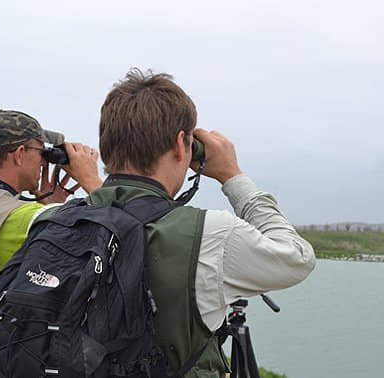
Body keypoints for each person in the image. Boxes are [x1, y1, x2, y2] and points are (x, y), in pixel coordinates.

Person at [85, 69, 316, 377]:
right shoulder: (209, 234)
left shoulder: (49, 220)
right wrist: (231, 174)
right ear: (182, 145)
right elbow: (297, 257)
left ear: (106, 147)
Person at [0, 109, 103, 312]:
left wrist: (48, 205)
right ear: (19, 155)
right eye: (41, 152)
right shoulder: (26, 218)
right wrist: (91, 180)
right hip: (2, 339)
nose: (44, 161)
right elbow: (122, 228)